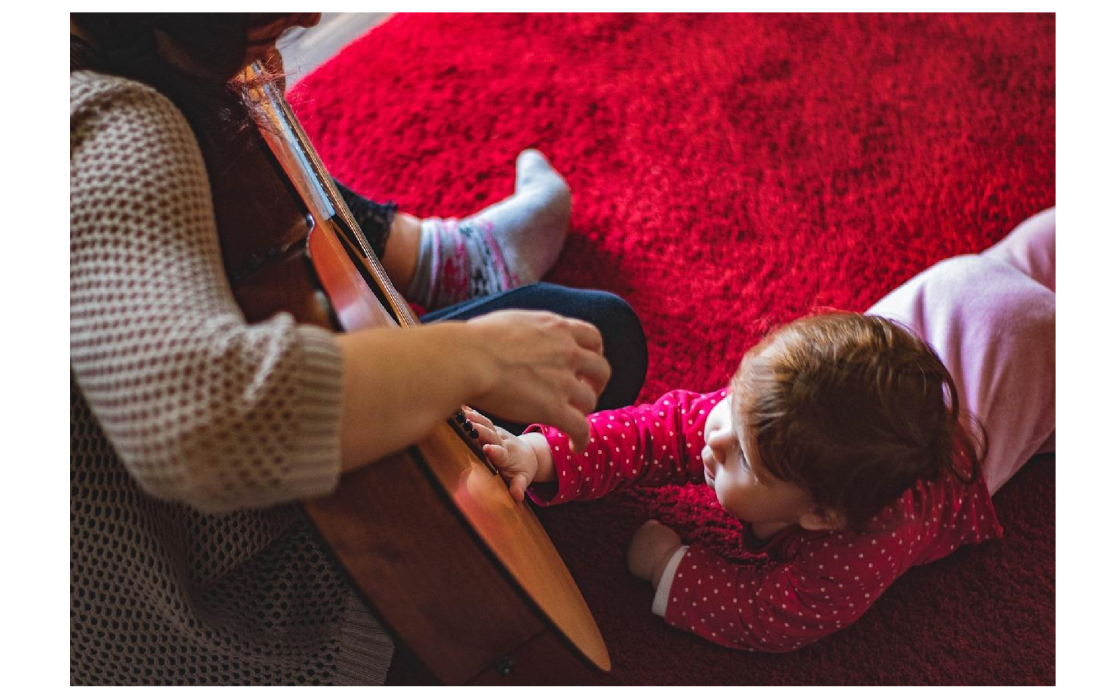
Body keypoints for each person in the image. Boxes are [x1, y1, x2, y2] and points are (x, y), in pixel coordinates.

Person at [70, 13, 647, 685]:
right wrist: (473, 357)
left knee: (583, 335)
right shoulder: (116, 120)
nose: (310, 18)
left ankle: (441, 257)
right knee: (588, 343)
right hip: (218, 619)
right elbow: (202, 423)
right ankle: (452, 261)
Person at [471, 209, 1055, 652]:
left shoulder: (865, 541)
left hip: (1033, 351)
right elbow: (653, 432)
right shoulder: (754, 421)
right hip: (955, 299)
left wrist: (669, 567)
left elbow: (776, 615)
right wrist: (539, 453)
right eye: (733, 397)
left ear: (822, 516)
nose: (713, 434)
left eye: (744, 458)